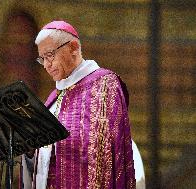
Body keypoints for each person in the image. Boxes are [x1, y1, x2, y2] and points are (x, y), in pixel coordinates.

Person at [21, 20, 137, 189]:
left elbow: (103, 148)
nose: (46, 65)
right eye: (42, 59)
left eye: (50, 55)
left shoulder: (104, 84)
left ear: (73, 48)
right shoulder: (53, 98)